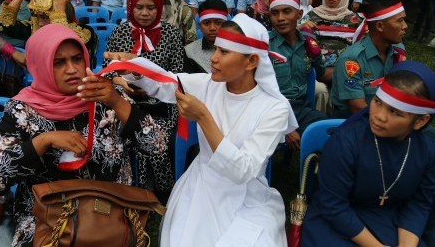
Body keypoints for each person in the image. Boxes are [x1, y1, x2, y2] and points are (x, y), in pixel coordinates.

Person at [115, 13, 298, 247]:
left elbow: (243, 171)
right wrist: (134, 66)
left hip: (247, 195)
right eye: (216, 49)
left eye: (224, 52)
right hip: (201, 185)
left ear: (252, 61)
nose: (214, 58)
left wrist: (203, 117)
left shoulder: (274, 108)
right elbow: (164, 83)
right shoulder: (209, 85)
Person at [0, 24, 162, 247]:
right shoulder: (22, 111)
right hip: (48, 223)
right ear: (40, 65)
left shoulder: (106, 97)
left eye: (77, 59)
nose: (72, 69)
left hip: (111, 217)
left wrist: (116, 102)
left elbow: (157, 147)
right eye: (58, 63)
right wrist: (43, 142)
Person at [301, 60, 435, 247]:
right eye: (377, 102)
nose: (379, 115)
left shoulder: (427, 151)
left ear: (420, 121)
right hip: (336, 223)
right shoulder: (346, 142)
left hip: (390, 219)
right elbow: (332, 204)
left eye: (394, 112)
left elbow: (419, 202)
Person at [105, 0, 184, 202]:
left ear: (159, 8)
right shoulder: (121, 32)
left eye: (151, 8)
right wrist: (122, 82)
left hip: (162, 104)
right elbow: (108, 70)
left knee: (159, 147)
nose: (145, 13)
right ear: (130, 7)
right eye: (139, 7)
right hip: (126, 102)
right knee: (120, 143)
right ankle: (129, 192)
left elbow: (177, 74)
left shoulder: (170, 35)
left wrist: (152, 85)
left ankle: (163, 193)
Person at [268, 0, 329, 154]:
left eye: (287, 11)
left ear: (299, 13)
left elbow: (321, 74)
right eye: (275, 13)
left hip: (301, 109)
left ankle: (313, 177)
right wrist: (286, 126)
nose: (280, 18)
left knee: (330, 133)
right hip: (269, 111)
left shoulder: (309, 45)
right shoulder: (263, 45)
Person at [330, 0, 407, 118]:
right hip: (355, 124)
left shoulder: (398, 50)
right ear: (380, 26)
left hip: (389, 120)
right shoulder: (351, 60)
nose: (405, 26)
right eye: (400, 21)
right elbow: (358, 108)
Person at [0, 0, 97, 64]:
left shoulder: (85, 32)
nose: (39, 22)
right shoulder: (35, 28)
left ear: (62, 13)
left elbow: (63, 47)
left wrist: (59, 6)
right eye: (36, 16)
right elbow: (2, 25)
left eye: (45, 17)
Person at [300, 0, 365, 68]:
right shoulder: (311, 15)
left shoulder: (355, 20)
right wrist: (300, 27)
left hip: (346, 69)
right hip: (315, 68)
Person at [184, 0, 227, 73]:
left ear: (226, 25)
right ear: (200, 25)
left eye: (218, 23)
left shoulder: (237, 49)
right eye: (206, 23)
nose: (212, 28)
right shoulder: (189, 52)